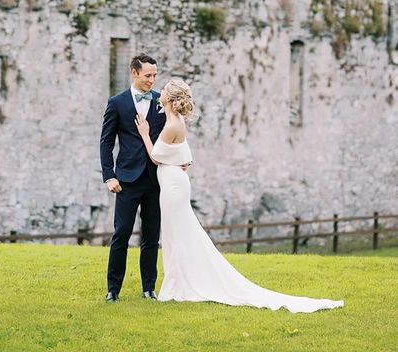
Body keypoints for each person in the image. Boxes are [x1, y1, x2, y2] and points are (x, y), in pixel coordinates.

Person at [135, 78, 344, 312]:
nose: (158, 91)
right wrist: (186, 160)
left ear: (172, 101)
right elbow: (182, 149)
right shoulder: (175, 120)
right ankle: (179, 282)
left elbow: (155, 156)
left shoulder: (172, 125)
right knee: (178, 235)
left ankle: (179, 284)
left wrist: (144, 133)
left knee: (177, 236)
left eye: (163, 91)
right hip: (175, 182)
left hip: (172, 186)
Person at [100, 53, 166, 302]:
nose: (152, 80)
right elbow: (106, 143)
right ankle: (112, 290)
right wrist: (109, 176)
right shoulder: (117, 103)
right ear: (134, 73)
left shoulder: (162, 102)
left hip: (155, 179)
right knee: (121, 234)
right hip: (126, 180)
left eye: (155, 75)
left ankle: (149, 288)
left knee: (151, 236)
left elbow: (173, 135)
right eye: (148, 75)